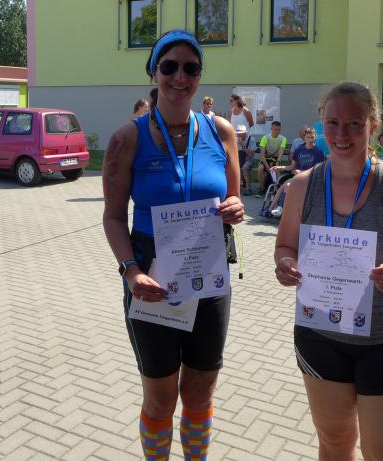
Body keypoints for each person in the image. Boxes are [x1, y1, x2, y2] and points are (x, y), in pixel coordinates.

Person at [274, 82, 383, 460]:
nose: (341, 134)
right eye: (332, 123)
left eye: (354, 123)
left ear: (373, 125)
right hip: (321, 336)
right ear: (321, 124)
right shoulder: (302, 186)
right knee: (334, 443)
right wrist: (285, 265)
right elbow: (285, 247)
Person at [102, 29, 244, 460]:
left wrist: (235, 208)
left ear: (199, 76)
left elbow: (234, 197)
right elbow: (113, 217)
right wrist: (130, 271)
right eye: (170, 66)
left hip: (208, 275)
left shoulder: (221, 131)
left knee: (199, 393)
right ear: (154, 72)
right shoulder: (127, 139)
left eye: (190, 68)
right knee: (161, 399)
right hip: (151, 277)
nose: (180, 77)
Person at [264, 126, 325, 217]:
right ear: (304, 138)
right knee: (282, 186)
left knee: (288, 185)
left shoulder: (318, 152)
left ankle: (281, 208)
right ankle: (270, 209)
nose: (310, 140)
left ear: (315, 137)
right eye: (308, 137)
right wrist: (280, 167)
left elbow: (318, 169)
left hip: (311, 178)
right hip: (298, 177)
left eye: (312, 137)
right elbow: (292, 166)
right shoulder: (299, 150)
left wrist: (301, 171)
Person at [256, 121, 287, 195]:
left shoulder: (283, 139)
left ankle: (276, 190)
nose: (277, 131)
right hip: (266, 159)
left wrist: (277, 163)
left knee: (277, 171)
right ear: (271, 129)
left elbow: (280, 153)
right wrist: (267, 166)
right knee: (260, 169)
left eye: (279, 130)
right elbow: (262, 155)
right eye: (275, 129)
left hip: (275, 159)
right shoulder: (265, 138)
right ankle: (262, 189)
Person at [235, 124, 255, 195]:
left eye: (240, 133)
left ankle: (248, 188)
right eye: (237, 133)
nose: (238, 135)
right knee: (232, 167)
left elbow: (251, 155)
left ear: (244, 133)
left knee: (245, 168)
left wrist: (242, 145)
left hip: (249, 159)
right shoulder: (235, 139)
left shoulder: (251, 140)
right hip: (239, 159)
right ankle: (236, 187)